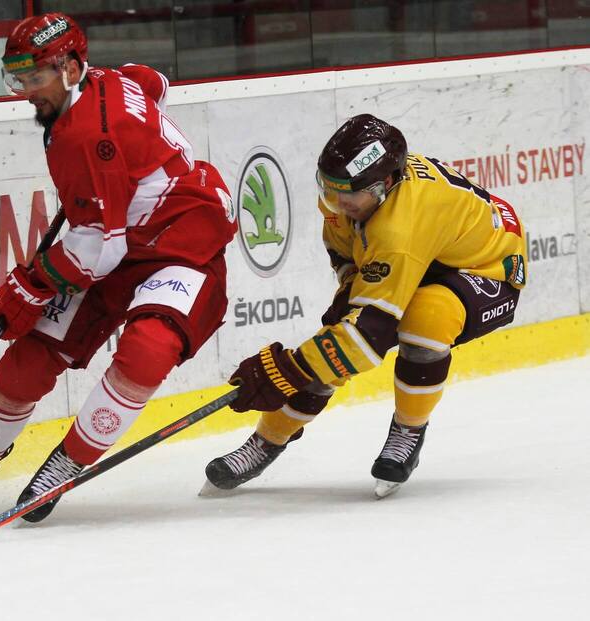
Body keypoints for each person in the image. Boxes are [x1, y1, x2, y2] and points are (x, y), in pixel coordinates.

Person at [0, 13, 237, 521]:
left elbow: (99, 249)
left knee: (148, 349)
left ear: (70, 68)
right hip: (118, 234)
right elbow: (153, 83)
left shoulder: (85, 136)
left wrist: (31, 283)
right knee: (31, 356)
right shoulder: (103, 81)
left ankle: (65, 464)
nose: (27, 92)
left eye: (35, 78)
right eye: (18, 79)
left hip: (180, 238)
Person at [205, 114, 527, 498]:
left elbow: (368, 339)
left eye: (348, 195)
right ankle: (266, 441)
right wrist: (343, 302)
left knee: (424, 320)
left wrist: (288, 370)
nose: (338, 203)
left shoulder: (400, 228)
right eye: (329, 189)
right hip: (428, 253)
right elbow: (345, 255)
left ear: (386, 184)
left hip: (486, 268)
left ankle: (408, 430)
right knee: (331, 345)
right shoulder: (350, 194)